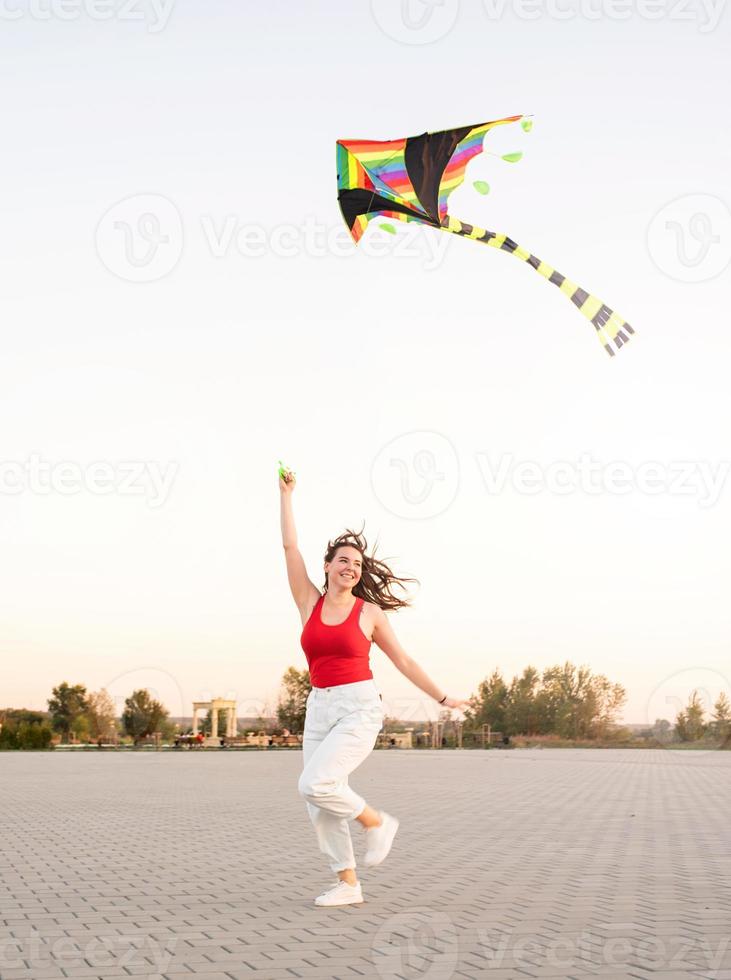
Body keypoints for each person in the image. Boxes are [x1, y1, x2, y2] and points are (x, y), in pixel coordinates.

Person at [279, 466, 468, 907]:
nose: (350, 566)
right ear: (328, 566)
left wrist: (442, 697)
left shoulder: (369, 614)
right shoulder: (309, 601)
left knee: (315, 783)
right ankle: (348, 883)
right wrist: (286, 495)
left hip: (358, 708)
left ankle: (376, 823)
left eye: (357, 563)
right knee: (319, 801)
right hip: (318, 707)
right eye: (343, 560)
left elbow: (402, 659)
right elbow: (289, 546)